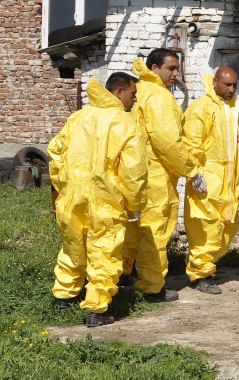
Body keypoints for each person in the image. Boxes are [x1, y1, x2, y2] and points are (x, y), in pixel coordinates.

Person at [49, 72, 147, 327]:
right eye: (132, 94)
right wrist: (135, 204)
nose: (134, 100)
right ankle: (97, 310)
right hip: (106, 199)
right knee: (105, 250)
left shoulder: (79, 116)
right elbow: (133, 171)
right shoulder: (124, 124)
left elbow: (56, 151)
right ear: (119, 92)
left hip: (74, 194)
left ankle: (64, 295)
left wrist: (62, 186)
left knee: (74, 244)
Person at [122, 48, 207, 303]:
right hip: (156, 174)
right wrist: (191, 171)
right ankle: (151, 287)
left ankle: (122, 275)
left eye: (177, 69)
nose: (175, 74)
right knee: (154, 231)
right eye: (170, 68)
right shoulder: (158, 96)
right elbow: (167, 142)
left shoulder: (139, 90)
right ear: (155, 67)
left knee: (134, 228)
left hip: (137, 171)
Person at [182, 67, 239, 294]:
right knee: (205, 228)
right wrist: (194, 174)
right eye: (227, 85)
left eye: (235, 85)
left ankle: (204, 265)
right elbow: (190, 144)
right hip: (208, 181)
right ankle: (201, 274)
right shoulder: (201, 109)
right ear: (215, 82)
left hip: (232, 183)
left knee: (227, 226)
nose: (231, 89)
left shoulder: (237, 111)